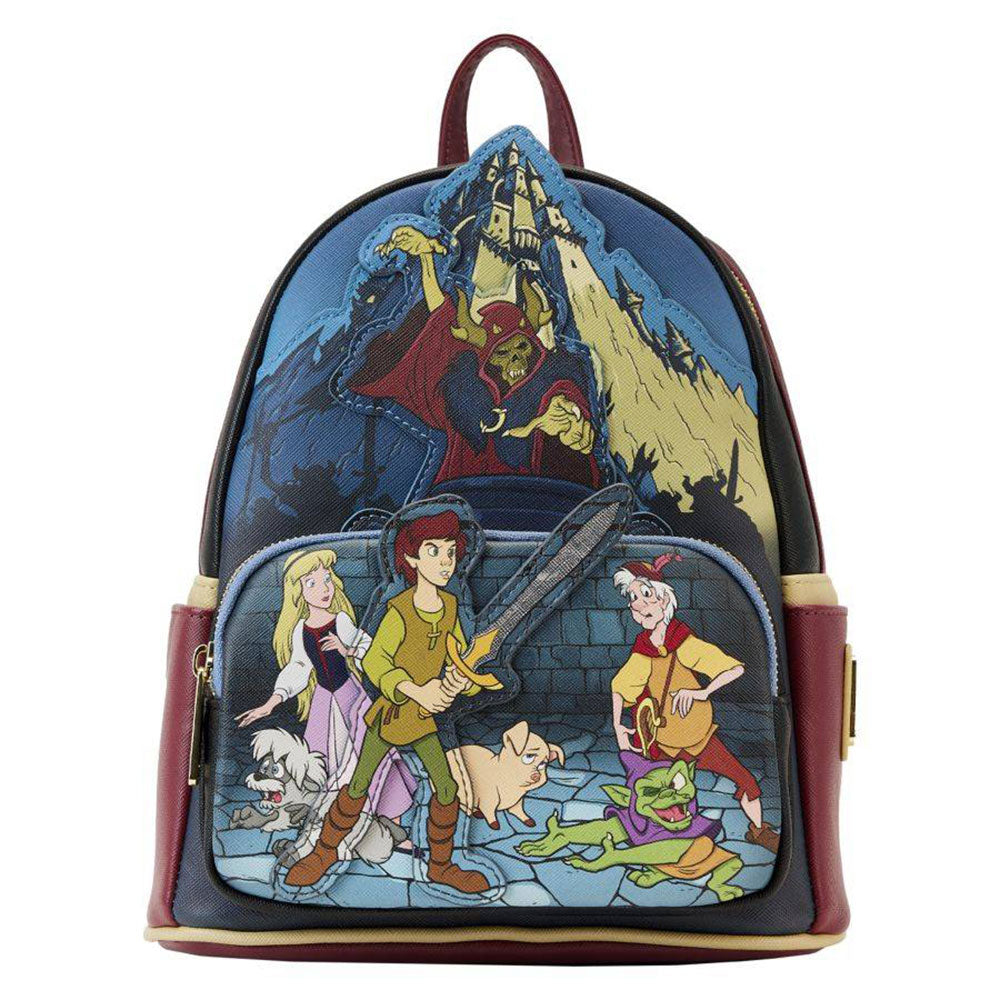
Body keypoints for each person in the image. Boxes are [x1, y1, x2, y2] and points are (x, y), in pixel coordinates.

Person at [285, 512, 490, 892]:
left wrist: (461, 682)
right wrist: (417, 690)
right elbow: (378, 662)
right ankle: (323, 853)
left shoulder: (449, 606)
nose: (445, 562)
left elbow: (456, 656)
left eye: (450, 552)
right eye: (433, 551)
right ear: (411, 559)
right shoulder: (399, 610)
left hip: (424, 719)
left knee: (446, 789)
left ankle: (441, 866)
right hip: (391, 716)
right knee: (358, 786)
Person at [348, 224, 598, 487]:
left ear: (536, 346)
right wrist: (426, 258)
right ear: (485, 359)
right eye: (502, 353)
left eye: (522, 347)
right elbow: (441, 317)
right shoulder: (465, 391)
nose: (516, 360)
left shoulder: (553, 381)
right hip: (463, 497)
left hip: (539, 499)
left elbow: (564, 390)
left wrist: (573, 416)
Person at [236, 549, 416, 845]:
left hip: (351, 698)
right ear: (298, 592)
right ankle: (331, 827)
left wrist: (346, 651)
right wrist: (272, 702)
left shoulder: (341, 620)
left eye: (327, 579)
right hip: (323, 702)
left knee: (372, 757)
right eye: (312, 583)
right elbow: (298, 667)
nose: (324, 588)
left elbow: (369, 649)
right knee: (320, 764)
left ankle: (392, 827)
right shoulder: (300, 630)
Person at [610, 555, 779, 853]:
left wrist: (703, 692)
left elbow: (734, 669)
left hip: (700, 739)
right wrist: (617, 726)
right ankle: (656, 837)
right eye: (633, 598)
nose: (638, 604)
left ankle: (758, 830)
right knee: (656, 795)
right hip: (663, 742)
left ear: (664, 600)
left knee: (746, 782)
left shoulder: (683, 644)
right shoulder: (643, 652)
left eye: (645, 595)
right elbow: (621, 688)